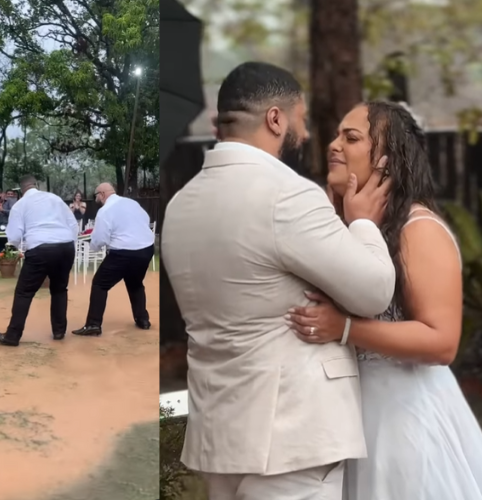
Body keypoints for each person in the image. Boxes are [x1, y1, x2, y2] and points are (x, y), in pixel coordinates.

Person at [161, 62, 396, 500]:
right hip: (293, 436)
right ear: (275, 118)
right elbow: (374, 292)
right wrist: (362, 224)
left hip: (218, 432)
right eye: (301, 121)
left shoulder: (179, 206)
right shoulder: (288, 194)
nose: (306, 136)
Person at [283, 101, 482, 500]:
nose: (334, 145)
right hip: (346, 422)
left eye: (351, 137)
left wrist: (346, 329)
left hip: (405, 424)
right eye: (337, 135)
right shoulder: (339, 226)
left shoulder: (418, 229)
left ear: (387, 159)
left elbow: (441, 341)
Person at [0, 175, 78, 346]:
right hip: (65, 246)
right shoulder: (55, 198)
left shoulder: (20, 205)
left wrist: (20, 248)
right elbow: (73, 224)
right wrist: (68, 245)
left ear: (21, 190)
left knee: (24, 292)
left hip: (40, 247)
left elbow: (14, 236)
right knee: (59, 289)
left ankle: (12, 336)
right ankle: (59, 331)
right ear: (36, 185)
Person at [71, 182, 154, 336]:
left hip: (122, 252)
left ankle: (93, 324)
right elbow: (145, 219)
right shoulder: (132, 203)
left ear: (102, 194)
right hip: (146, 249)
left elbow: (99, 239)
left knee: (100, 284)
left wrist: (93, 248)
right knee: (135, 284)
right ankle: (143, 320)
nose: (96, 199)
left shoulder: (105, 210)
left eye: (96, 195)